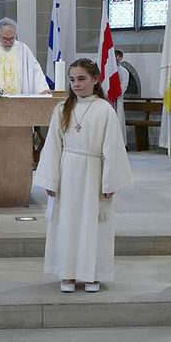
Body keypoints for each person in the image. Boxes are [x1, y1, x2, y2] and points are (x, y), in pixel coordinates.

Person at [34, 58, 133, 293]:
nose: (76, 84)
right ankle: (67, 273)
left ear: (95, 79)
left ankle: (91, 274)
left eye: (81, 79)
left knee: (93, 224)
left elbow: (113, 148)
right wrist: (51, 179)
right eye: (72, 79)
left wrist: (109, 181)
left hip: (94, 172)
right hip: (68, 172)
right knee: (66, 223)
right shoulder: (62, 109)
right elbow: (53, 146)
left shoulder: (104, 109)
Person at [113, 50, 131, 144]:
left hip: (117, 98)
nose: (117, 58)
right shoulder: (106, 70)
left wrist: (115, 92)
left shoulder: (124, 71)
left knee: (118, 119)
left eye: (119, 56)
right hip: (107, 98)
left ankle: (121, 143)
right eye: (116, 56)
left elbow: (124, 85)